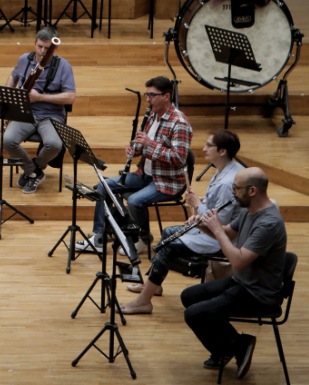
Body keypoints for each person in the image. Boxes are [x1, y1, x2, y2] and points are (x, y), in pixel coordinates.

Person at [118, 129, 245, 315]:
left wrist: (197, 206)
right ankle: (153, 285)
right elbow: (217, 205)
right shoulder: (226, 170)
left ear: (222, 151)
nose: (204, 149)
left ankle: (144, 301)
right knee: (169, 232)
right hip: (216, 230)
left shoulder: (228, 181)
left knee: (170, 246)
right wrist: (201, 204)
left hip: (224, 239)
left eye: (209, 145)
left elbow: (219, 223)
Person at [180, 167, 287, 378]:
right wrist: (203, 226)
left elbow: (237, 261)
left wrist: (217, 229)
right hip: (244, 282)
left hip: (260, 294)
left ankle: (234, 346)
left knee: (195, 314)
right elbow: (228, 232)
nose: (233, 193)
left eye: (236, 188)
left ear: (253, 190)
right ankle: (234, 344)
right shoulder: (250, 211)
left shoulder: (268, 223)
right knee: (189, 297)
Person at [77, 76, 192, 254]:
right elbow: (142, 145)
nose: (148, 99)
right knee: (103, 186)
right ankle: (100, 237)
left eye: (152, 95)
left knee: (134, 200)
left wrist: (148, 144)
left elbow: (179, 158)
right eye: (147, 94)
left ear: (167, 96)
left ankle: (142, 238)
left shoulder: (180, 123)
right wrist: (135, 148)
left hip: (166, 181)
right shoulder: (152, 116)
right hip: (144, 175)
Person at [2, 26, 75, 194]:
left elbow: (70, 97)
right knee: (7, 140)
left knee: (54, 144)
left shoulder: (63, 66)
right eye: (39, 46)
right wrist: (10, 95)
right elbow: (13, 77)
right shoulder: (24, 60)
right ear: (35, 44)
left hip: (52, 116)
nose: (42, 51)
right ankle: (34, 172)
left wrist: (40, 97)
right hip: (26, 113)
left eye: (47, 48)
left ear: (54, 48)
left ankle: (35, 168)